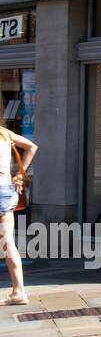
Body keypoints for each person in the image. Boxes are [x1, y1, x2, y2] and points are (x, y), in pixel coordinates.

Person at [0, 122, 35, 307]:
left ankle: (19, 292)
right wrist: (20, 175)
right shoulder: (5, 133)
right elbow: (32, 146)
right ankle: (18, 291)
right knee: (7, 242)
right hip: (5, 190)